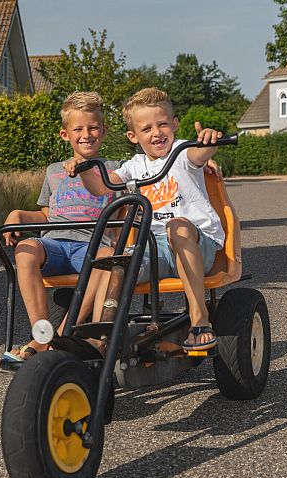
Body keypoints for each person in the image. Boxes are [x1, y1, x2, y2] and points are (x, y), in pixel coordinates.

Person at [66, 87, 224, 352]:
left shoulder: (183, 152)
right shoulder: (134, 166)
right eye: (147, 128)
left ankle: (200, 319)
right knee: (116, 263)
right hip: (157, 248)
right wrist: (81, 166)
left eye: (163, 124)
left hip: (196, 243)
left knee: (177, 226)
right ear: (133, 136)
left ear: (174, 124)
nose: (156, 133)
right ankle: (96, 339)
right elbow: (101, 187)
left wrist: (208, 142)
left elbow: (200, 154)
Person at [0, 91, 120, 369]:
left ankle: (63, 335)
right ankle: (41, 333)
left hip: (91, 245)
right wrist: (17, 214)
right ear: (65, 135)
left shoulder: (115, 169)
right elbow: (46, 214)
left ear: (104, 130)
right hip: (55, 243)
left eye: (93, 128)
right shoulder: (53, 170)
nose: (86, 134)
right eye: (78, 129)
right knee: (26, 248)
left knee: (108, 256)